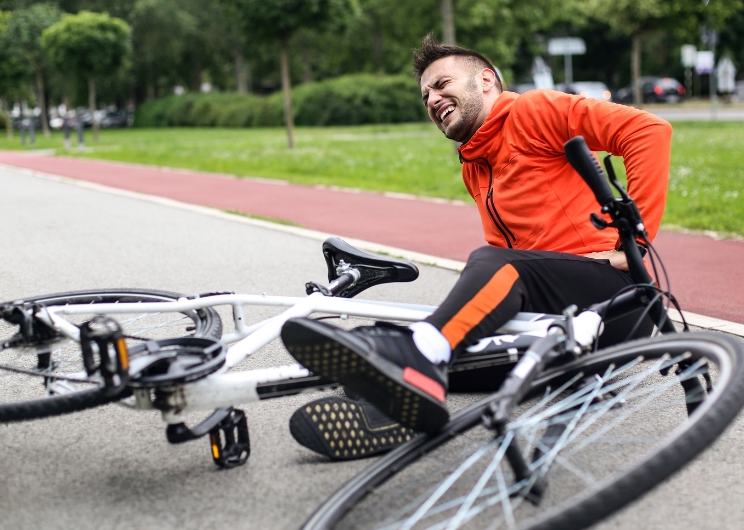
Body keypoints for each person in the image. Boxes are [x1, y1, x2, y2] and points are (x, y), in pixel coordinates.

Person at [282, 35, 672, 460]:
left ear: (485, 81)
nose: (432, 98)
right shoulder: (474, 163)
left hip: (610, 301)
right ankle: (385, 416)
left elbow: (648, 130)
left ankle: (424, 352)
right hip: (546, 327)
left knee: (481, 271)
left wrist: (631, 243)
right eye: (425, 93)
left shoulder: (533, 110)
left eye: (442, 83)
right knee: (370, 348)